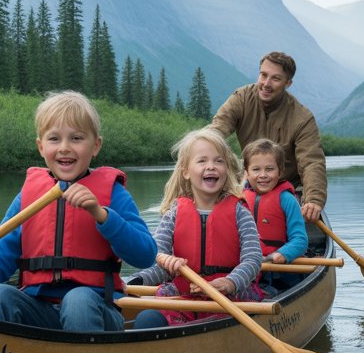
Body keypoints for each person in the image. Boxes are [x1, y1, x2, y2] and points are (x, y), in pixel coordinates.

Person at [0, 91, 156, 331]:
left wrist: (101, 215)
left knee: (78, 300)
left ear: (95, 146)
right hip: (39, 309)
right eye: (54, 139)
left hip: (96, 310)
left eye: (76, 138)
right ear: (41, 147)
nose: (65, 148)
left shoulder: (113, 195)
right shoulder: (28, 198)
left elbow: (145, 255)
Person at [129, 127, 263, 329]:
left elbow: (253, 259)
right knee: (146, 319)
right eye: (202, 161)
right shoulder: (174, 213)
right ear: (185, 171)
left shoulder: (239, 212)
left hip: (229, 297)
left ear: (226, 169)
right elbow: (157, 260)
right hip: (185, 297)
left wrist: (231, 282)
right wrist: (135, 281)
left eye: (219, 161)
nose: (211, 166)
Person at [210, 51, 327, 222]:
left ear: (288, 83)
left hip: (287, 189)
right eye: (263, 75)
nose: (266, 83)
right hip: (248, 183)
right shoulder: (241, 99)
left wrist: (314, 200)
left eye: (275, 79)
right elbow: (215, 133)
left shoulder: (302, 118)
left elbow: (311, 162)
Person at [242, 138, 308, 293]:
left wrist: (281, 254)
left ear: (280, 171)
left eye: (269, 169)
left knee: (274, 290)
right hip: (247, 268)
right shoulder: (239, 199)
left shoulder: (287, 199)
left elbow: (300, 240)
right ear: (246, 173)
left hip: (280, 271)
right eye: (256, 169)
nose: (263, 175)